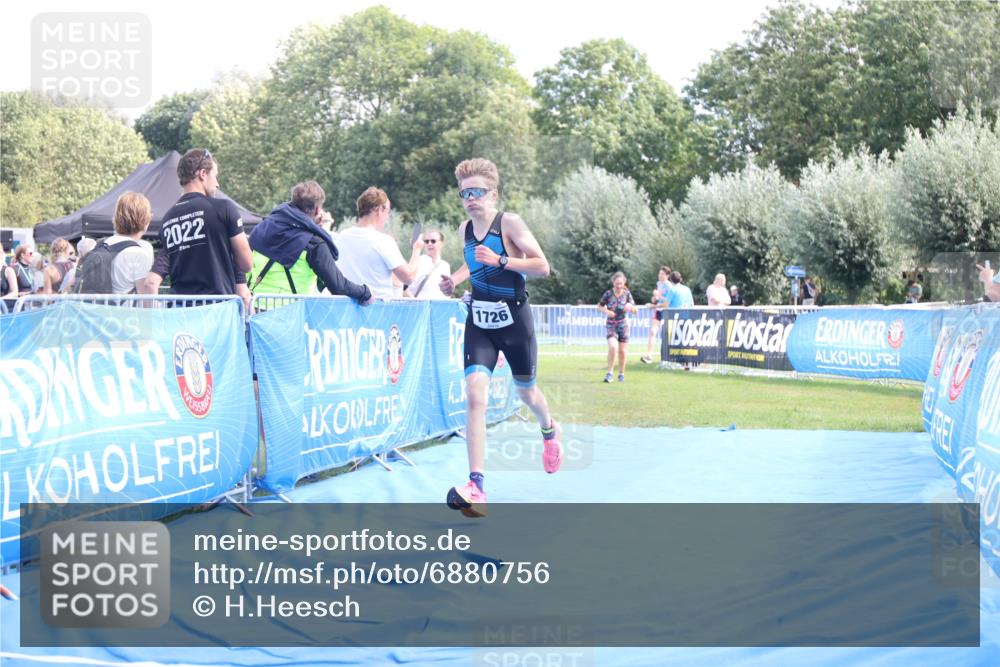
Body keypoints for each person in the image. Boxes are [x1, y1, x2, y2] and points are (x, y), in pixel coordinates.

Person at [438, 158, 562, 517]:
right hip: (480, 321)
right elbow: (474, 260)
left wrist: (502, 261)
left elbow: (542, 266)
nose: (470, 198)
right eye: (464, 193)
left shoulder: (510, 223)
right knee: (475, 394)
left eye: (477, 192)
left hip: (514, 320)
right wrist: (456, 280)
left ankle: (550, 431)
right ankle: (476, 486)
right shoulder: (464, 229)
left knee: (527, 393)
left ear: (493, 194)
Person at [143, 149, 253, 299]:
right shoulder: (224, 208)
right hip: (217, 311)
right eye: (215, 176)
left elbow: (154, 278)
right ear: (203, 174)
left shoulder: (167, 219)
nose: (217, 184)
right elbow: (246, 264)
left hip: (181, 313)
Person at [248, 180, 371, 303]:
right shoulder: (314, 243)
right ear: (318, 210)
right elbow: (338, 286)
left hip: (254, 307)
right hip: (288, 313)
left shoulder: (263, 227)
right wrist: (365, 292)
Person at [334, 187, 423, 299]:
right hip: (377, 310)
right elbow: (408, 277)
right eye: (388, 212)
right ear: (379, 209)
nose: (388, 217)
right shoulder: (383, 241)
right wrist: (417, 249)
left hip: (348, 310)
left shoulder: (342, 236)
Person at [87, 192, 156, 294]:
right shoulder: (138, 254)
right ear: (145, 220)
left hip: (96, 309)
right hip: (123, 310)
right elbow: (147, 302)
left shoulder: (102, 244)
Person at [598, 271, 639, 382]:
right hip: (611, 324)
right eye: (616, 284)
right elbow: (599, 306)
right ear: (613, 283)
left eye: (620, 284)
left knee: (623, 351)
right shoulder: (608, 294)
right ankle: (609, 373)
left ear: (624, 283)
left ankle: (621, 373)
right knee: (613, 347)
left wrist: (630, 307)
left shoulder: (627, 294)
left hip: (623, 325)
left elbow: (636, 310)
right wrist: (607, 312)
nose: (618, 286)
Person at [406, 228, 451, 299]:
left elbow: (447, 291)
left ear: (441, 244)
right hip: (421, 307)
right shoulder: (418, 261)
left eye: (433, 241)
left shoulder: (445, 265)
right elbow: (405, 287)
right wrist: (415, 303)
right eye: (426, 241)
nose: (429, 244)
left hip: (440, 308)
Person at [641, 265, 671, 364]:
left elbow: (669, 301)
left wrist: (659, 296)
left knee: (668, 335)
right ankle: (649, 355)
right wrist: (654, 299)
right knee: (653, 332)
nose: (660, 275)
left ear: (667, 275)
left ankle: (669, 357)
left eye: (662, 274)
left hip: (667, 311)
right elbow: (656, 299)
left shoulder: (669, 286)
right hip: (658, 311)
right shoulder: (659, 283)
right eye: (659, 273)